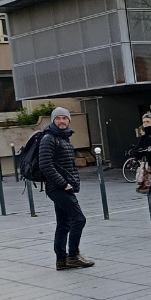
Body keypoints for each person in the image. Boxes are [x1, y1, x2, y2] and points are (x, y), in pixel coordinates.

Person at [39, 106, 93, 269]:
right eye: (58, 118)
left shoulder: (63, 137)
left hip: (63, 187)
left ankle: (61, 261)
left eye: (64, 118)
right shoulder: (49, 138)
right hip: (58, 188)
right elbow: (45, 165)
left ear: (68, 120)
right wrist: (64, 183)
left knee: (63, 224)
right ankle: (73, 255)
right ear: (53, 120)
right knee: (79, 219)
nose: (61, 121)